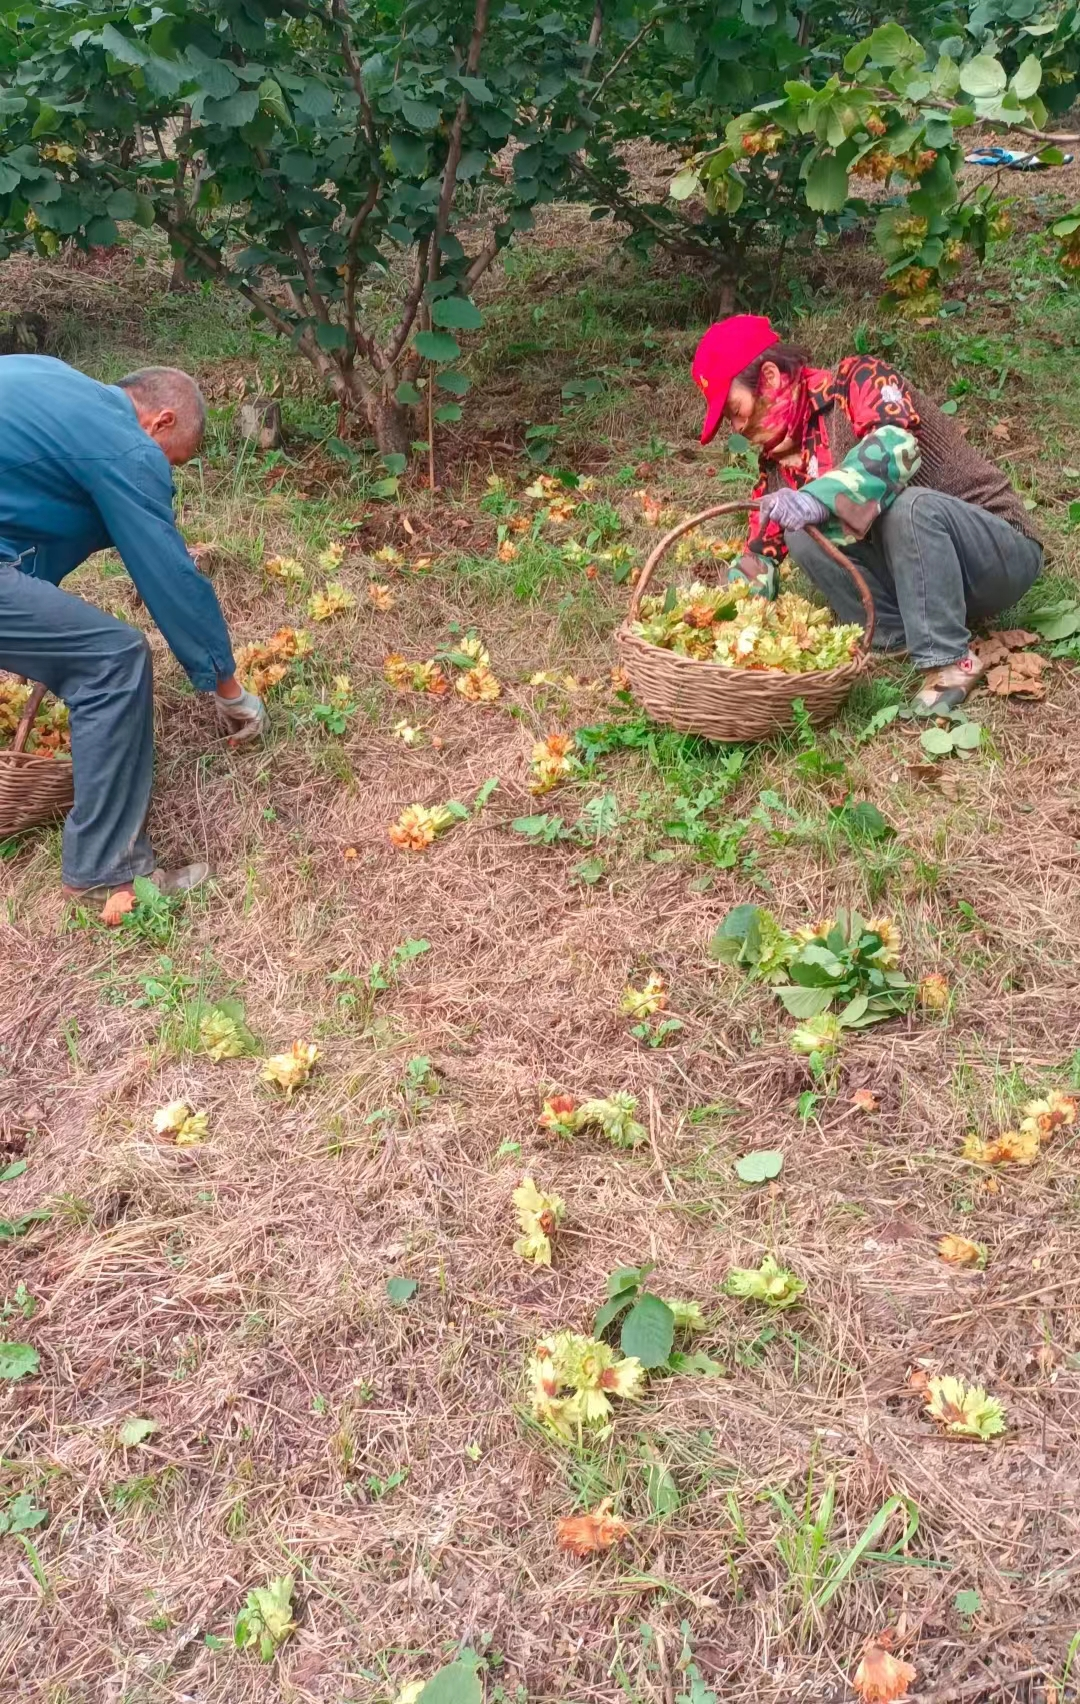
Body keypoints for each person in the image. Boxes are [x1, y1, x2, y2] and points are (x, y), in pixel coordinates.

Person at [0, 355, 266, 914]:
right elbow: (169, 573)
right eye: (174, 461)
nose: (163, 472)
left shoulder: (50, 381)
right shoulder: (126, 444)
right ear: (160, 422)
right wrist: (228, 687)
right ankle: (106, 871)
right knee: (113, 659)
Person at [691, 314, 1043, 713]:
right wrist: (712, 620)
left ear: (770, 378)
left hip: (996, 555)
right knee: (799, 532)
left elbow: (897, 448)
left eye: (735, 410)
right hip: (925, 582)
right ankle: (892, 638)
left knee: (907, 507)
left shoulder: (858, 380)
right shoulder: (778, 463)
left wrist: (817, 497)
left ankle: (949, 661)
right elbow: (759, 557)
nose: (736, 428)